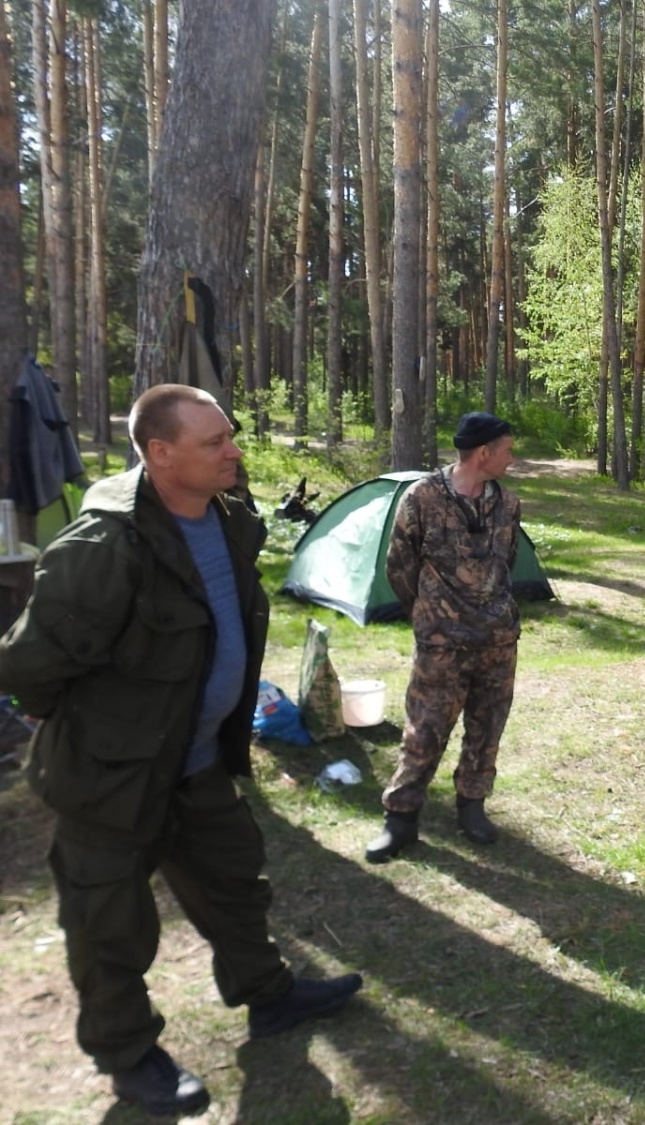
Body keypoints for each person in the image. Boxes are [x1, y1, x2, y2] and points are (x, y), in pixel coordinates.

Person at [0, 384, 362, 1117]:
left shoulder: (229, 517)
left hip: (195, 759)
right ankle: (129, 1054)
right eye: (214, 442)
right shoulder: (104, 547)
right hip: (111, 778)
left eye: (229, 436)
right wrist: (80, 722)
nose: (233, 451)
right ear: (160, 453)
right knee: (109, 926)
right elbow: (27, 666)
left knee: (234, 881)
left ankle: (269, 995)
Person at [365, 412, 524, 863]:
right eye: (508, 450)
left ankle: (472, 807)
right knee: (424, 731)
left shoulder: (508, 505)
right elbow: (400, 566)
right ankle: (400, 820)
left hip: (497, 641)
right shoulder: (423, 498)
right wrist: (433, 613)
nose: (512, 459)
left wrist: (488, 608)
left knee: (487, 728)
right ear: (483, 453)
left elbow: (505, 564)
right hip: (441, 643)